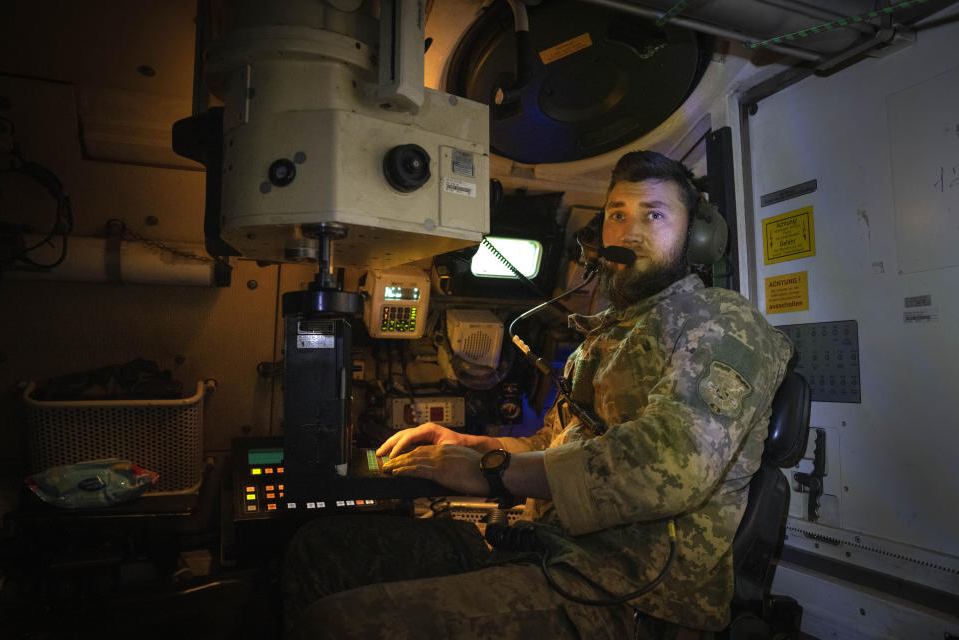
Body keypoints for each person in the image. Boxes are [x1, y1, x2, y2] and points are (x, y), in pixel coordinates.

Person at [282, 150, 794, 639]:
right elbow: (554, 450)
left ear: (696, 237)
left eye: (654, 215)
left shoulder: (722, 320)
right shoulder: (608, 337)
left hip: (633, 597)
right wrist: (471, 446)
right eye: (617, 214)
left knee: (341, 627)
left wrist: (495, 472)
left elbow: (674, 464)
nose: (630, 231)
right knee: (320, 548)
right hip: (547, 555)